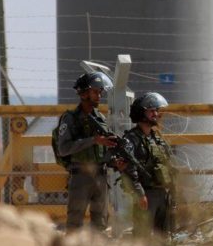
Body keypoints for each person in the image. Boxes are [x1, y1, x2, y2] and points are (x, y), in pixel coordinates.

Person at [56, 72, 146, 231]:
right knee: (75, 222)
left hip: (101, 176)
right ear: (84, 93)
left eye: (100, 92)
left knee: (101, 222)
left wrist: (114, 161)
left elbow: (102, 152)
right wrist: (93, 140)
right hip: (81, 177)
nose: (99, 96)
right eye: (95, 92)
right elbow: (63, 149)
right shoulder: (70, 119)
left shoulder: (101, 119)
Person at [123, 92, 176, 239]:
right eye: (151, 111)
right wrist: (140, 194)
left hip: (162, 193)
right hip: (146, 194)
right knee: (142, 237)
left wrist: (172, 192)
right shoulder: (131, 139)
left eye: (156, 110)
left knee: (164, 238)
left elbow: (168, 166)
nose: (156, 114)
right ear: (141, 113)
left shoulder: (157, 139)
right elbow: (129, 169)